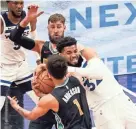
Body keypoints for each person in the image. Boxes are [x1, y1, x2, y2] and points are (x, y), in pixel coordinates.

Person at [9, 5, 94, 129]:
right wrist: (27, 20)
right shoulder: (42, 46)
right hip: (47, 100)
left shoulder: (73, 49)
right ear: (47, 28)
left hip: (66, 101)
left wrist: (44, 65)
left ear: (64, 28)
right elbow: (14, 37)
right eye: (52, 27)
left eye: (59, 27)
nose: (56, 30)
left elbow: (84, 69)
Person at [55, 37, 136, 129]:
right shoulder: (67, 78)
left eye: (75, 51)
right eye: (68, 53)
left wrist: (71, 69)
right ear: (60, 55)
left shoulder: (92, 61)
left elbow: (98, 74)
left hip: (123, 102)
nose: (73, 55)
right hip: (103, 112)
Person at [8, 55, 92, 129]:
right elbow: (61, 99)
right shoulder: (76, 78)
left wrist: (16, 106)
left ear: (49, 74)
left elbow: (30, 116)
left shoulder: (49, 99)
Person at [0, 1, 39, 129]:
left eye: (21, 3)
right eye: (16, 3)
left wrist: (38, 61)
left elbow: (34, 38)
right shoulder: (2, 20)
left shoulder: (29, 16)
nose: (19, 6)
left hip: (22, 67)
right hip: (5, 68)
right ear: (8, 4)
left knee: (41, 96)